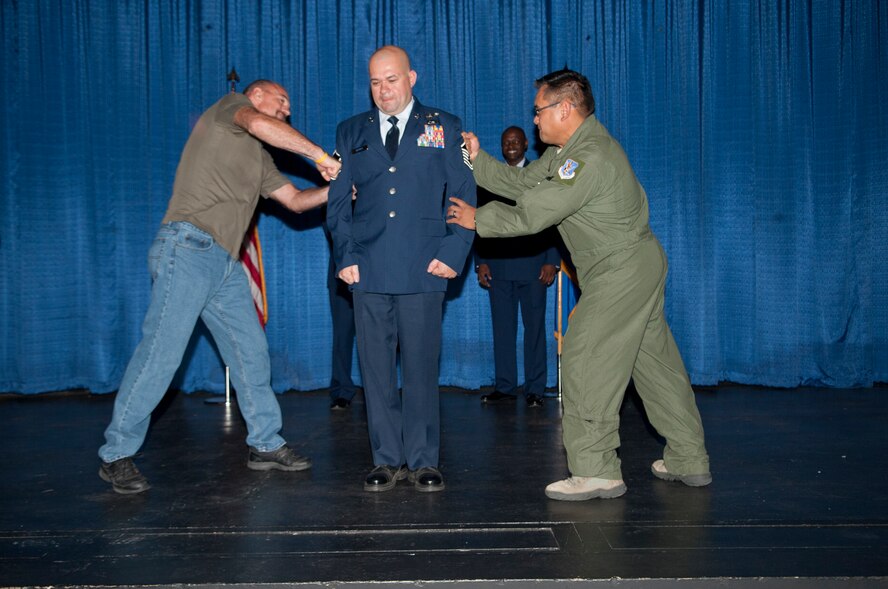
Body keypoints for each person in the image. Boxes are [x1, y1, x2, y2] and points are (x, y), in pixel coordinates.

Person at [447, 69, 711, 501]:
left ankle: (596, 469)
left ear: (564, 108)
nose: (534, 121)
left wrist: (478, 220)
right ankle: (688, 457)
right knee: (655, 366)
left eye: (538, 110)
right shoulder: (570, 150)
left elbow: (535, 212)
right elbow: (523, 183)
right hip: (636, 265)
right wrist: (474, 159)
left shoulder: (586, 158)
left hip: (619, 270)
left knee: (586, 356)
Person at [98, 80, 342, 494]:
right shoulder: (231, 108)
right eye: (281, 101)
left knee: (250, 351)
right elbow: (260, 124)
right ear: (257, 96)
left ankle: (264, 443)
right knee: (161, 352)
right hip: (186, 248)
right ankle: (116, 453)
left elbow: (297, 201)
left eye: (289, 106)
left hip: (225, 264)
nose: (286, 110)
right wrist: (319, 155)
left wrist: (336, 188)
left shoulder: (260, 161)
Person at [327, 46, 476, 493]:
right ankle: (386, 459)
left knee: (419, 368)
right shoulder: (350, 131)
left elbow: (464, 193)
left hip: (424, 265)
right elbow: (337, 203)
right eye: (374, 82)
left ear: (412, 77)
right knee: (374, 369)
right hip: (367, 268)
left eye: (391, 80)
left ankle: (424, 460)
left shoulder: (444, 126)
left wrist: (454, 252)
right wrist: (345, 256)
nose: (382, 90)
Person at [474, 126, 560, 408]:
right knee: (502, 330)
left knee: (534, 330)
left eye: (515, 141)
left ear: (525, 144)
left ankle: (535, 388)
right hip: (498, 268)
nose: (510, 145)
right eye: (505, 142)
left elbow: (554, 219)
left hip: (535, 265)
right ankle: (506, 386)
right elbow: (478, 221)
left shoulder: (540, 175)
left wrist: (552, 261)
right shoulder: (489, 177)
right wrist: (480, 261)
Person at [324, 223, 359, 410]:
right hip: (341, 277)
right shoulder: (336, 195)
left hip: (377, 275)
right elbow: (332, 228)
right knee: (342, 336)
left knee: (380, 337)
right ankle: (340, 391)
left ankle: (381, 390)